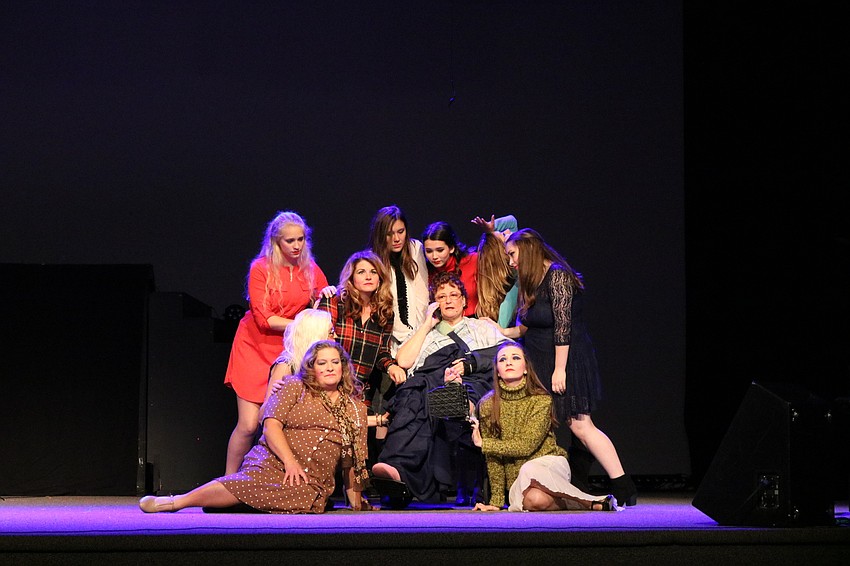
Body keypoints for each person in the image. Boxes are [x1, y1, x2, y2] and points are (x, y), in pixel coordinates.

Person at [140, 341, 371, 514]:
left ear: (344, 367)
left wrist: (357, 503)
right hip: (273, 461)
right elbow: (270, 426)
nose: (330, 368)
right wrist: (290, 461)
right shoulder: (294, 386)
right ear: (312, 367)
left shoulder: (356, 408)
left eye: (335, 362)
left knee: (302, 493)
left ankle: (235, 503)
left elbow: (353, 462)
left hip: (311, 480)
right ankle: (177, 502)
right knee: (248, 482)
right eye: (322, 363)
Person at [499, 228, 637, 507]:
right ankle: (573, 483)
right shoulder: (531, 280)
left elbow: (564, 327)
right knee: (562, 427)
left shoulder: (557, 275)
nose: (511, 262)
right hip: (540, 360)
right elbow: (527, 326)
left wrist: (560, 369)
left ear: (528, 250)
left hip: (565, 360)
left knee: (580, 425)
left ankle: (624, 487)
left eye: (513, 254)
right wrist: (499, 331)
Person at [371, 271, 508, 503]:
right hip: (429, 383)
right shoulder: (427, 333)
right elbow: (403, 362)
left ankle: (404, 471)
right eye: (442, 297)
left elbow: (511, 352)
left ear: (464, 300)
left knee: (436, 395)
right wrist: (426, 324)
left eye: (454, 295)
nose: (448, 300)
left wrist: (470, 364)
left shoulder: (481, 328)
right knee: (414, 396)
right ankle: (395, 466)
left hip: (468, 380)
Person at [223, 211, 329, 474]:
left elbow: (326, 310)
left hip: (287, 350)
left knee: (274, 423)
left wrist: (329, 297)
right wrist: (302, 324)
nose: (296, 246)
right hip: (254, 346)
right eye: (290, 241)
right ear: (276, 242)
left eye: (301, 240)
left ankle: (263, 481)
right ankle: (226, 480)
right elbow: (264, 319)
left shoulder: (311, 270)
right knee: (248, 425)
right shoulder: (260, 268)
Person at [471, 342, 616, 512]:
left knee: (529, 468)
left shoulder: (541, 400)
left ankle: (590, 501)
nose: (508, 362)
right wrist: (496, 502)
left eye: (515, 358)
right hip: (518, 478)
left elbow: (526, 446)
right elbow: (493, 458)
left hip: (548, 463)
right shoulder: (488, 404)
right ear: (497, 370)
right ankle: (587, 504)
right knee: (535, 500)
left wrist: (485, 444)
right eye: (502, 360)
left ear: (526, 368)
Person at [315, 251, 407, 443]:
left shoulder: (384, 312)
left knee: (359, 453)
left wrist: (391, 366)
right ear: (351, 277)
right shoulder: (335, 301)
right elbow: (320, 345)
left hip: (360, 389)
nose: (368, 276)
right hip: (330, 386)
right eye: (361, 272)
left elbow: (381, 351)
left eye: (373, 272)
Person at [367, 205, 430, 357]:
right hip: (389, 337)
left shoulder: (415, 249)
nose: (396, 239)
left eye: (400, 232)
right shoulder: (373, 258)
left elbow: (422, 294)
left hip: (419, 333)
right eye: (389, 234)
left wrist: (421, 333)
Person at [263, 309, 336, 402]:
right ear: (315, 336)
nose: (336, 336)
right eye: (331, 333)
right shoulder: (286, 366)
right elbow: (267, 412)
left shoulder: (327, 365)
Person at [471, 214, 519, 328]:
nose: (508, 231)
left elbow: (512, 222)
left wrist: (492, 228)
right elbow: (502, 323)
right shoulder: (516, 275)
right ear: (503, 251)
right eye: (503, 234)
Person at [422, 221, 479, 317]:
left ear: (451, 248)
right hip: (441, 325)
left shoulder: (473, 261)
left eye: (440, 250)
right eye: (429, 251)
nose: (434, 256)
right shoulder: (425, 271)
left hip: (474, 323)